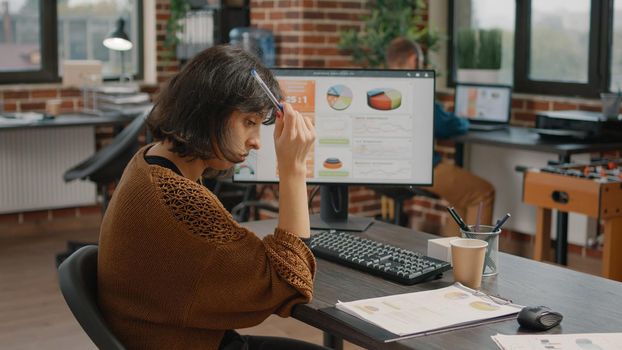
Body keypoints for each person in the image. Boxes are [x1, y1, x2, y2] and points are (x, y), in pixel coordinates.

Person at [97, 45, 327, 350]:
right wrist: (293, 168)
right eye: (249, 122)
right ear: (209, 112)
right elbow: (289, 281)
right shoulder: (180, 201)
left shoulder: (149, 161)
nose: (257, 142)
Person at [385, 37, 495, 236]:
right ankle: (476, 261)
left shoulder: (384, 89)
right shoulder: (416, 87)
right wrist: (464, 120)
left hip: (392, 167)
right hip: (420, 169)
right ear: (412, 59)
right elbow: (448, 126)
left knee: (462, 195)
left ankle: (453, 256)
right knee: (482, 194)